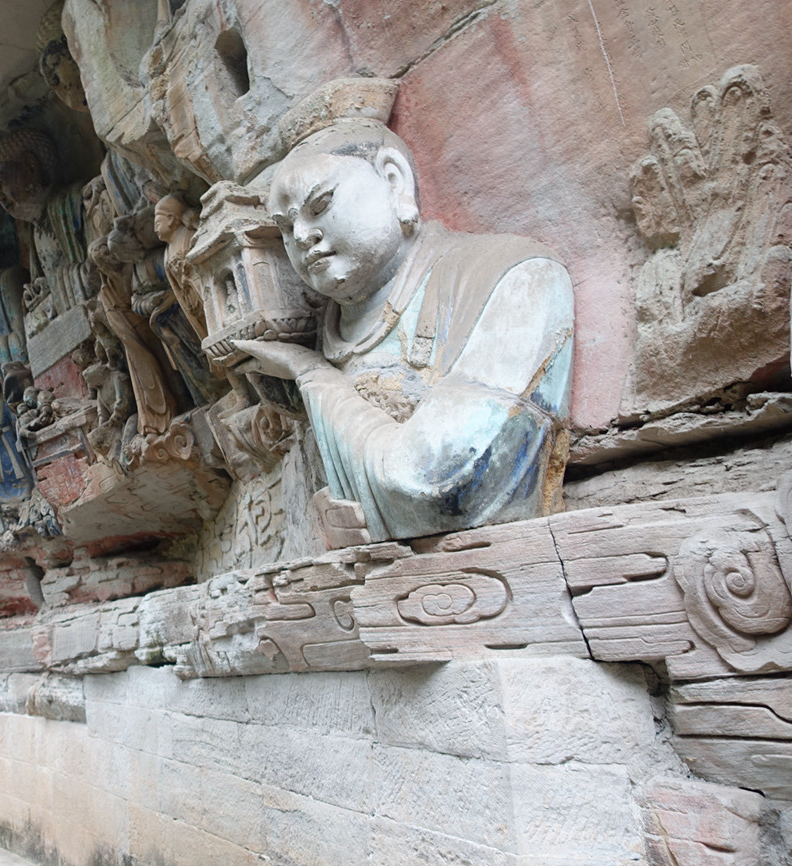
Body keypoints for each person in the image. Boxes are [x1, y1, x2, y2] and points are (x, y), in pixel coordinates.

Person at [236, 107, 573, 546]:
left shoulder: (516, 276)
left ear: (394, 182)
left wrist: (313, 374)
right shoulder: (329, 333)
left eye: (320, 205)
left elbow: (434, 482)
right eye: (285, 227)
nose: (301, 236)